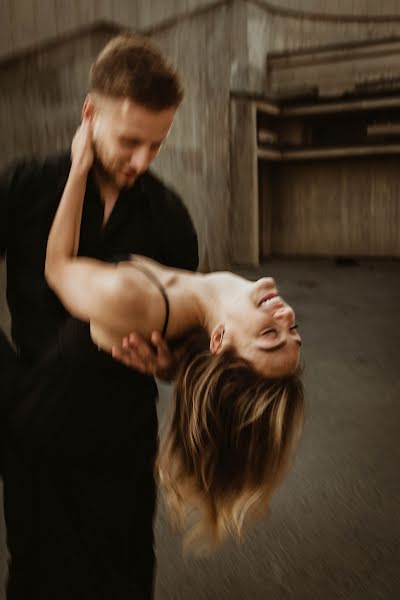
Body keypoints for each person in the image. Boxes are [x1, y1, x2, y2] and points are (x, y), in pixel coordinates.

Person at [44, 118, 305, 551]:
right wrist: (173, 369)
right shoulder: (191, 312)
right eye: (293, 330)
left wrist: (79, 167)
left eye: (270, 336)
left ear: (219, 340)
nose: (285, 313)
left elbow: (56, 268)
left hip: (51, 415)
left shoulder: (132, 300)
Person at [0, 34, 198, 600]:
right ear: (90, 114)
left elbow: (184, 349)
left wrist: (170, 363)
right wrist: (10, 390)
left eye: (156, 145)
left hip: (121, 440)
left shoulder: (170, 218)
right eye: (130, 140)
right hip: (35, 430)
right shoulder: (25, 185)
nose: (142, 160)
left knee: (126, 577)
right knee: (36, 576)